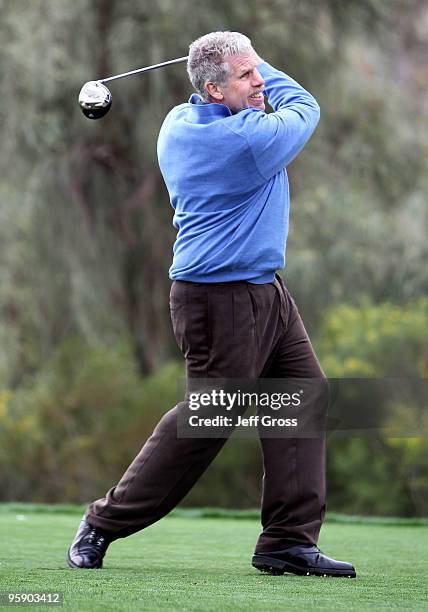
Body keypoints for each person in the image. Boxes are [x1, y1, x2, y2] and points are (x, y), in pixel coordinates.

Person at [67, 31, 356, 578]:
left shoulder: (179, 121)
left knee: (300, 397)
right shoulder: (248, 140)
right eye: (247, 76)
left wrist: (239, 60)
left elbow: (252, 92)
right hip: (218, 299)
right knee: (209, 418)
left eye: (257, 71)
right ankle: (103, 522)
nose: (260, 81)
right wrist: (256, 56)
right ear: (212, 87)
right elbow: (307, 104)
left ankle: (288, 542)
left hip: (264, 289)